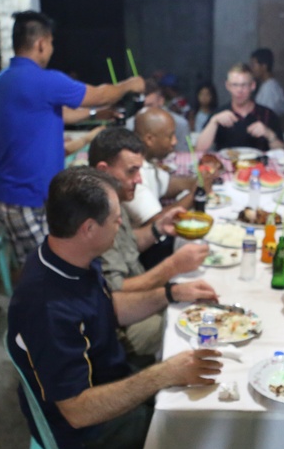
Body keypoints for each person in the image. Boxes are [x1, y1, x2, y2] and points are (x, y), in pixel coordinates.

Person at [6, 168, 222, 449]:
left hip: (109, 374)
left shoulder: (67, 257)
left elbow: (109, 309)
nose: (122, 224)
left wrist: (171, 294)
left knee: (190, 395)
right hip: (80, 428)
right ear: (89, 228)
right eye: (116, 219)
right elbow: (77, 411)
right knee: (186, 425)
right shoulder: (48, 306)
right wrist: (163, 374)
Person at [0, 11, 145, 263]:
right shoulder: (43, 80)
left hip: (11, 192)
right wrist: (130, 84)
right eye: (50, 43)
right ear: (41, 43)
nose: (51, 49)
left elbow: (61, 113)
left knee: (36, 263)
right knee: (49, 265)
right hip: (23, 195)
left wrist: (96, 113)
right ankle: (32, 303)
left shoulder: (5, 79)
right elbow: (100, 94)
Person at [89, 127, 216, 361]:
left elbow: (127, 246)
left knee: (201, 305)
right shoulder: (97, 214)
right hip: (118, 326)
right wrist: (173, 267)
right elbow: (117, 290)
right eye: (132, 171)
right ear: (104, 170)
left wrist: (158, 230)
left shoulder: (112, 197)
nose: (139, 179)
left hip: (133, 297)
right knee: (197, 328)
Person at [125, 107, 217, 228]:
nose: (175, 141)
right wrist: (195, 194)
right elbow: (157, 222)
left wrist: (200, 180)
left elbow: (168, 184)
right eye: (170, 136)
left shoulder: (148, 161)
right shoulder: (135, 173)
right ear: (149, 139)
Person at [195, 63, 284, 153]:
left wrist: (269, 134)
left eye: (244, 85)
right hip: (226, 166)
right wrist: (214, 121)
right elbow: (199, 150)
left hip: (259, 166)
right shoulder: (219, 114)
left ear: (252, 86)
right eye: (235, 85)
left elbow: (283, 152)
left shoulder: (267, 114)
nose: (239, 90)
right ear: (228, 86)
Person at [125, 78, 192, 153]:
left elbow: (184, 155)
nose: (145, 110)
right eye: (142, 106)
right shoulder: (130, 125)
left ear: (161, 101)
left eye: (150, 105)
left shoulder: (180, 124)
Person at [250, 48, 284, 117]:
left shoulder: (270, 89)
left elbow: (266, 116)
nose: (252, 69)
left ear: (264, 66)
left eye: (254, 65)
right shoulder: (267, 85)